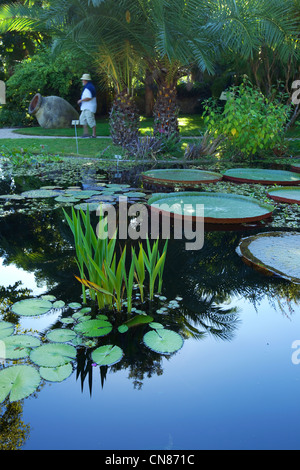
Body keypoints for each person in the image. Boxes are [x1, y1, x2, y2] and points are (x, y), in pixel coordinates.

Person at [77, 73, 97, 138]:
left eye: (83, 80)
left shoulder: (88, 87)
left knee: (90, 120)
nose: (82, 81)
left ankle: (94, 134)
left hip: (89, 107)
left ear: (85, 80)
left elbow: (89, 97)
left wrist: (81, 100)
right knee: (82, 119)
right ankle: (86, 133)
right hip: (85, 107)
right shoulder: (88, 86)